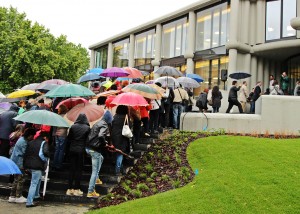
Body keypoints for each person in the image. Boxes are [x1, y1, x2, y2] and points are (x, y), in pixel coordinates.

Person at [86, 110, 112, 198]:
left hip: (88, 147)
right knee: (94, 171)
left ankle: (96, 178)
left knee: (101, 158)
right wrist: (104, 143)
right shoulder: (104, 125)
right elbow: (101, 136)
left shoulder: (98, 123)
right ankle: (90, 191)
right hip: (95, 149)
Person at [65, 113, 90, 197]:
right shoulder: (87, 128)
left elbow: (69, 138)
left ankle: (69, 189)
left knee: (72, 169)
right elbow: (88, 140)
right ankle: (77, 188)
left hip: (72, 149)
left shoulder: (73, 126)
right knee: (79, 170)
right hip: (81, 150)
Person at [9, 128, 36, 203]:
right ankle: (18, 196)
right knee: (20, 179)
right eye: (32, 136)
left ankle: (12, 196)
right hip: (19, 163)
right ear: (29, 135)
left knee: (16, 180)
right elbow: (25, 153)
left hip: (15, 162)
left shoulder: (21, 139)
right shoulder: (23, 142)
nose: (32, 138)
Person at [24, 131, 50, 208]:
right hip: (37, 165)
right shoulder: (44, 143)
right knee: (34, 183)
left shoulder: (31, 142)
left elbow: (26, 153)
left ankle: (36, 195)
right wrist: (49, 154)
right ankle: (29, 202)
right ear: (45, 137)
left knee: (37, 180)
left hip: (29, 165)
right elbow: (45, 152)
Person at [111, 105, 130, 175]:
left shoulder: (114, 117)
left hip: (114, 137)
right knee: (120, 153)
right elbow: (129, 127)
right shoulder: (125, 117)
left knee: (116, 152)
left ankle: (121, 168)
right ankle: (117, 170)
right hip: (122, 138)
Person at [52, 104, 68, 170]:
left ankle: (54, 164)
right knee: (61, 150)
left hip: (57, 134)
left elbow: (54, 126)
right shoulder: (66, 117)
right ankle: (58, 165)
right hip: (63, 134)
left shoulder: (57, 116)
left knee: (57, 149)